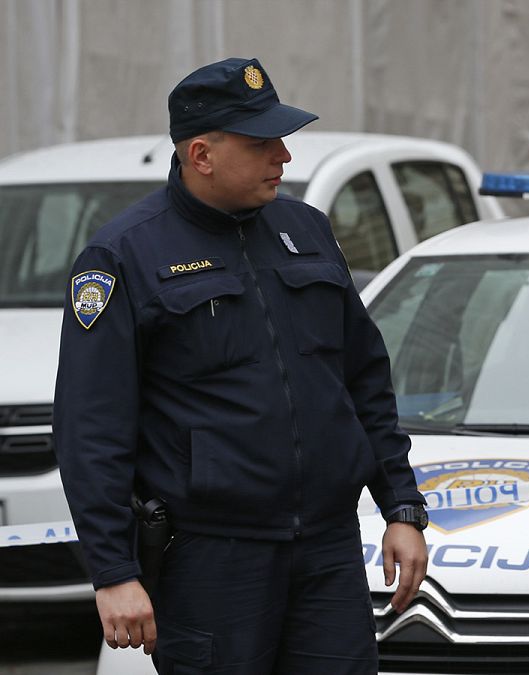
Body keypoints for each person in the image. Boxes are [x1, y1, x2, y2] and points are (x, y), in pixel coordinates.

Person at [53, 57, 429, 674]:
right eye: (262, 143)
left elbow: (362, 380)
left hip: (328, 554)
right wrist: (114, 571)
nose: (283, 155)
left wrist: (402, 507)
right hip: (211, 562)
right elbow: (90, 428)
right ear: (201, 155)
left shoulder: (306, 230)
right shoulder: (124, 255)